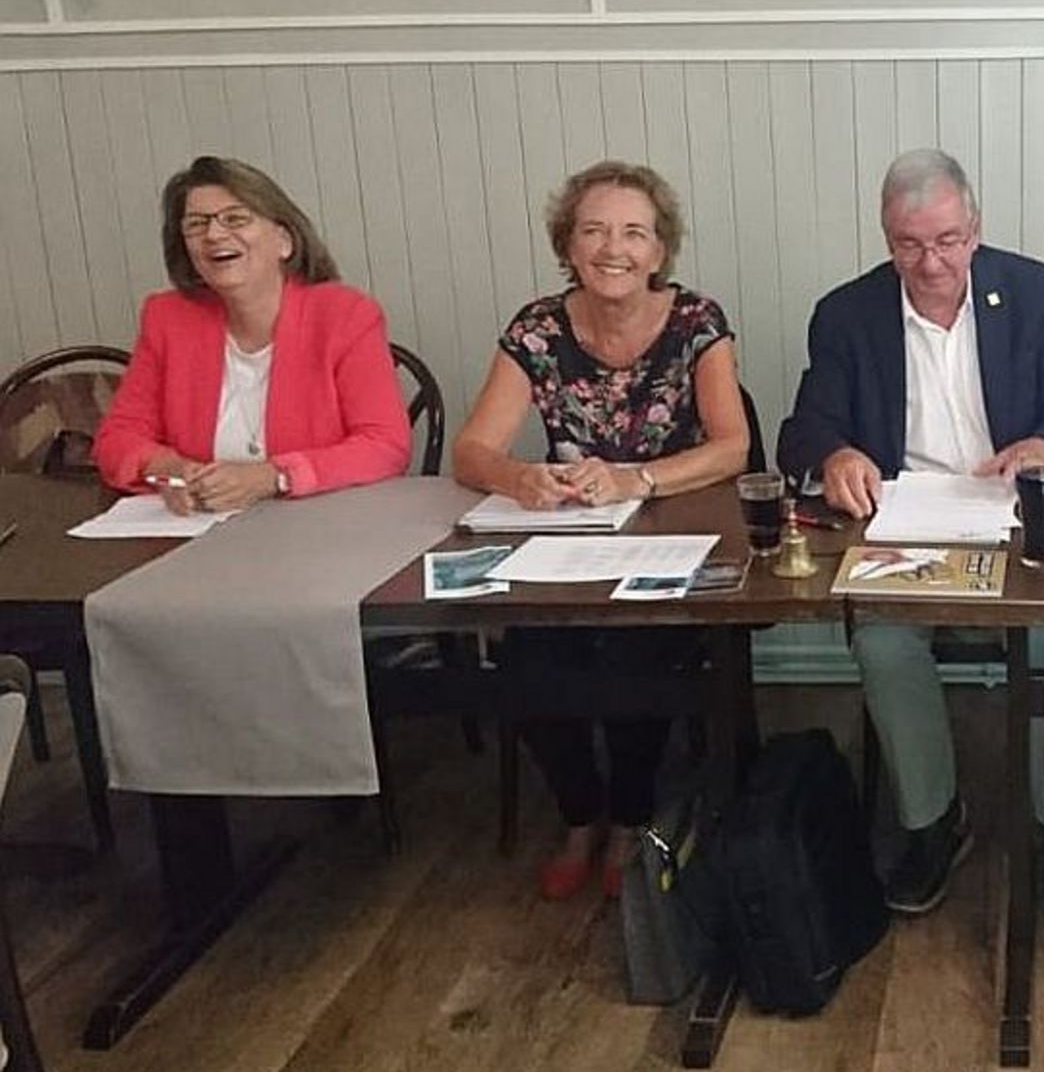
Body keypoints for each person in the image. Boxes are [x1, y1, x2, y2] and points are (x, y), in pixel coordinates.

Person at [778, 148, 1044, 924]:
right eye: (909, 244)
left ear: (976, 228)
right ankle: (933, 820)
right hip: (907, 527)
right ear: (885, 235)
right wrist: (836, 454)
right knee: (884, 641)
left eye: (948, 241)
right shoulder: (848, 312)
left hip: (1014, 519)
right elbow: (804, 430)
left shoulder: (1031, 290)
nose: (931, 263)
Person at [453, 160, 750, 900]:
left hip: (675, 528)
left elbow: (732, 447)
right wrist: (518, 477)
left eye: (633, 233)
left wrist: (637, 477)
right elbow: (471, 451)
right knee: (526, 649)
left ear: (659, 249)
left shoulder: (696, 322)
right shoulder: (537, 328)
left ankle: (631, 816)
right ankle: (579, 813)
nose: (613, 248)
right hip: (571, 536)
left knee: (634, 643)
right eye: (594, 231)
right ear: (568, 243)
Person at [95, 155, 411, 509]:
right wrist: (168, 468)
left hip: (321, 522)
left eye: (235, 219)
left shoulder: (345, 315)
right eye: (196, 225)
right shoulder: (167, 318)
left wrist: (274, 477)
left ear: (284, 241)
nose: (214, 235)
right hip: (201, 528)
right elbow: (117, 438)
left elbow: (385, 445)